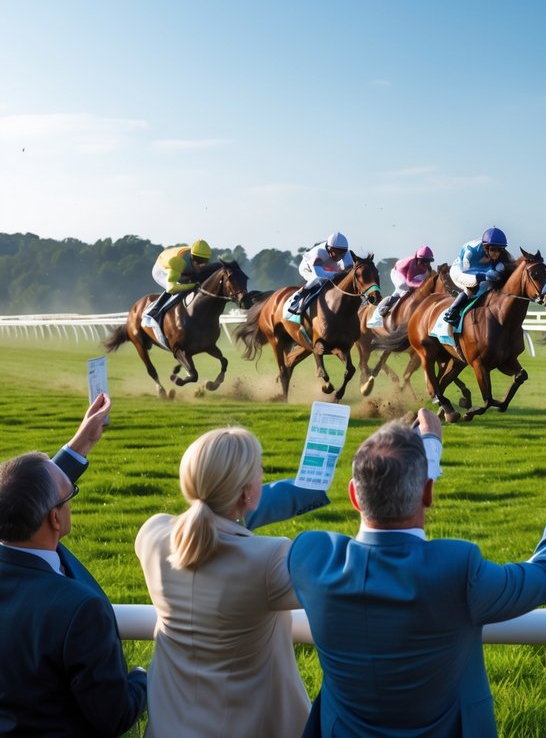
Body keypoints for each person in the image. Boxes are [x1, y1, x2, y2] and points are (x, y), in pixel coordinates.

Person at [288, 409, 546, 737]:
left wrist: (430, 447)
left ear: (353, 496)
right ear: (428, 493)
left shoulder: (310, 556)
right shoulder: (458, 569)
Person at [135, 426, 332, 738]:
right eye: (259, 468)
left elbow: (207, 520)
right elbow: (345, 582)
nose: (263, 473)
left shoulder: (152, 535)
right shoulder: (269, 559)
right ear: (247, 492)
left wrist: (238, 502)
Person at [0, 394, 148, 736]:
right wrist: (144, 678)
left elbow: (20, 496)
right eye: (70, 497)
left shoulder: (20, 524)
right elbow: (114, 716)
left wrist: (82, 443)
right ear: (55, 518)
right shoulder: (79, 610)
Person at [442, 227, 510, 327]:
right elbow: (468, 271)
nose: (496, 253)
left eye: (499, 250)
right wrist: (486, 276)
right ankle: (451, 312)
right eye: (493, 249)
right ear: (486, 248)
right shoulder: (471, 253)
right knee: (473, 284)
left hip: (481, 268)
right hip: (461, 269)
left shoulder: (502, 255)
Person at [142, 239, 212, 331]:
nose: (202, 265)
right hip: (161, 269)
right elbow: (171, 288)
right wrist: (193, 286)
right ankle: (152, 313)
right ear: (192, 257)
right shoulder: (178, 262)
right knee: (178, 289)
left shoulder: (198, 261)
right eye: (199, 261)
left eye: (205, 261)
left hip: (180, 268)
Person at [287, 231, 353, 319]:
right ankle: (298, 297)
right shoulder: (318, 252)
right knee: (319, 280)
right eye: (336, 252)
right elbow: (320, 275)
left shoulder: (345, 253)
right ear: (329, 249)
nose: (339, 256)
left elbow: (350, 272)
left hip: (327, 267)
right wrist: (339, 274)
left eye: (342, 253)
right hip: (308, 268)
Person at [370, 245, 435, 327]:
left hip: (410, 276)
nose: (426, 264)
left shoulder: (428, 268)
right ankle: (379, 312)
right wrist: (423, 285)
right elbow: (409, 281)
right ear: (417, 259)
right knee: (404, 290)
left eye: (428, 261)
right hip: (398, 274)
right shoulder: (413, 263)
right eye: (423, 261)